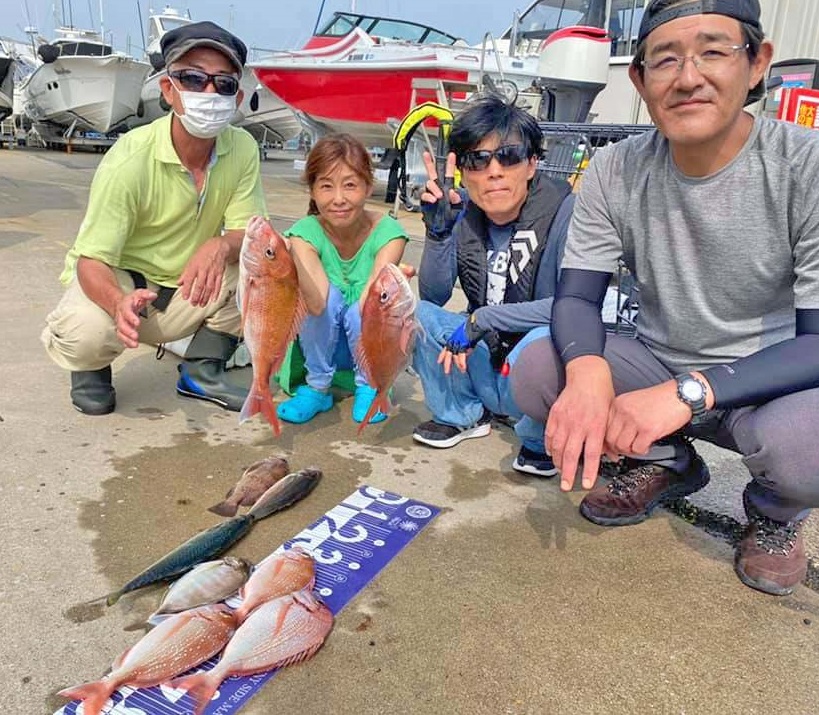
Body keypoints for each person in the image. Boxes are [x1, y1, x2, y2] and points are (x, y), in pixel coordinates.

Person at [511, 0, 819, 596]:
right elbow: (576, 296)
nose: (689, 76)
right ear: (640, 80)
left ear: (758, 64)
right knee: (541, 367)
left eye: (714, 51)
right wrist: (591, 370)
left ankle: (775, 515)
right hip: (658, 356)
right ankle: (665, 461)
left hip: (772, 379)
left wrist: (687, 393)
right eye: (665, 59)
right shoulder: (613, 169)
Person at [41, 21, 265, 416]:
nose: (209, 92)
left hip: (189, 284)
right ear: (168, 89)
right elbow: (92, 260)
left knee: (266, 266)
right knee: (84, 333)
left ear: (237, 96)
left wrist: (219, 245)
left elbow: (250, 232)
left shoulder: (244, 148)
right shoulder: (130, 158)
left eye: (223, 84)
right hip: (126, 283)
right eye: (193, 78)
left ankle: (202, 368)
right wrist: (117, 302)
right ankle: (91, 367)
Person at [411, 95, 575, 476]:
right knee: (417, 315)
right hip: (487, 363)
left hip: (536, 369)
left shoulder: (565, 212)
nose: (494, 171)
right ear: (465, 172)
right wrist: (438, 233)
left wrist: (484, 317)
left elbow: (573, 306)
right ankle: (461, 414)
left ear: (532, 163)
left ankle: (540, 439)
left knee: (545, 340)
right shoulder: (462, 211)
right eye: (477, 161)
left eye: (510, 156)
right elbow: (433, 296)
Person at [275, 133, 409, 425]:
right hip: (319, 345)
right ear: (312, 191)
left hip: (370, 345)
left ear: (368, 187)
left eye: (350, 185)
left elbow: (371, 305)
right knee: (326, 298)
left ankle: (370, 385)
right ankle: (317, 387)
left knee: (375, 301)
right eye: (326, 186)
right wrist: (295, 253)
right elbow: (317, 303)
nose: (338, 199)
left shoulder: (389, 233)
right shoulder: (305, 232)